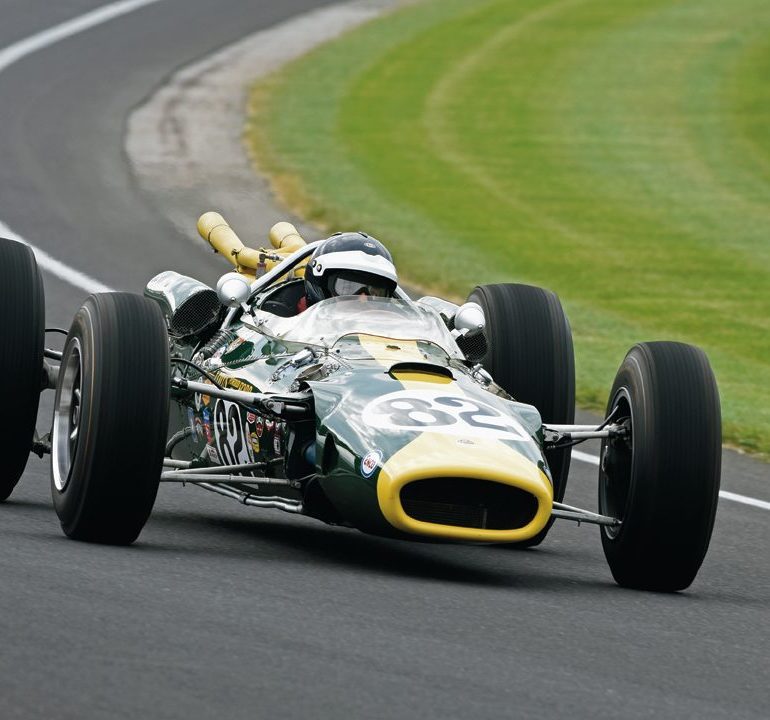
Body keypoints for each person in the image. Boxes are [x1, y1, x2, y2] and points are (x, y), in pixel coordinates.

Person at [299, 231, 398, 311]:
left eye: (375, 294)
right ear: (322, 287)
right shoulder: (287, 321)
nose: (363, 300)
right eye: (348, 288)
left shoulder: (395, 329)